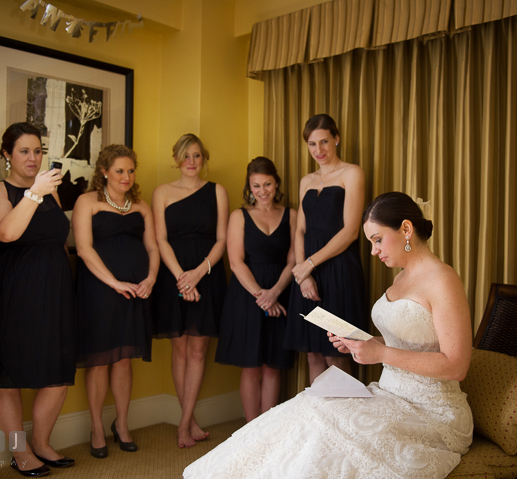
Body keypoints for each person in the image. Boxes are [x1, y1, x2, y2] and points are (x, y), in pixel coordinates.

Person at [183, 192, 474, 479]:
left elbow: (456, 365)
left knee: (328, 427)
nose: (374, 251)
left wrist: (382, 354)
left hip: (431, 414)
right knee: (309, 405)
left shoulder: (443, 280)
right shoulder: (401, 276)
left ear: (406, 229)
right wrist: (366, 343)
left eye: (377, 240)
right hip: (390, 394)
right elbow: (413, 343)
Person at [0, 122, 76, 477]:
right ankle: (20, 452)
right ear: (7, 155)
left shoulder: (49, 189)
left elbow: (59, 237)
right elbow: (6, 233)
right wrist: (34, 191)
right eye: (24, 151)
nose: (33, 158)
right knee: (9, 374)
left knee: (58, 369)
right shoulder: (1, 190)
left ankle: (43, 443)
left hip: (55, 288)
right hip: (14, 290)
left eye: (38, 151)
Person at [72, 144, 160, 458]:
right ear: (105, 171)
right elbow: (83, 249)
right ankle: (97, 426)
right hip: (99, 289)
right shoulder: (87, 201)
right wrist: (114, 282)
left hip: (137, 289)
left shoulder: (141, 205)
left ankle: (121, 424)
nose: (126, 176)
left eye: (130, 170)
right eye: (119, 170)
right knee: (99, 359)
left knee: (124, 358)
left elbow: (152, 247)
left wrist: (150, 278)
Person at [151, 133, 228, 448]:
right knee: (180, 349)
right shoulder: (162, 192)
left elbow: (222, 239)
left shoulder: (217, 191)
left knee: (198, 350)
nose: (192, 162)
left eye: (197, 155)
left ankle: (184, 424)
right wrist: (182, 277)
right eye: (186, 156)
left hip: (206, 273)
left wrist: (198, 273)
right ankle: (189, 419)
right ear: (176, 159)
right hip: (174, 273)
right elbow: (161, 239)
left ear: (204, 158)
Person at [284, 113, 368, 382]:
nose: (318, 150)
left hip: (340, 270)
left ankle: (344, 421)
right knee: (313, 353)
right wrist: (304, 274)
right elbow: (300, 230)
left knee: (337, 351)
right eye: (311, 144)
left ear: (337, 139)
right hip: (308, 273)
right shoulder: (306, 181)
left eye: (324, 142)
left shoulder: (352, 173)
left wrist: (309, 264)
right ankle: (321, 421)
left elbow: (351, 231)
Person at [215, 157, 297, 422]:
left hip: (281, 291)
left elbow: (293, 260)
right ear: (249, 187)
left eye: (267, 184)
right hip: (247, 294)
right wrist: (262, 296)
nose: (262, 191)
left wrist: (274, 293)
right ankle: (250, 430)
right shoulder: (239, 216)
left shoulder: (291, 215)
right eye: (256, 186)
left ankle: (267, 428)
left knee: (273, 365)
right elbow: (236, 262)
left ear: (276, 183)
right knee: (251, 367)